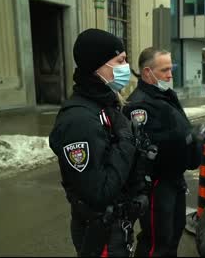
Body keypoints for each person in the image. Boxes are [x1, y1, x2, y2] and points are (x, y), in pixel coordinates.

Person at [49, 28, 148, 257]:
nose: (125, 67)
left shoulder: (105, 105)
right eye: (120, 60)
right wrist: (127, 140)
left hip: (115, 228)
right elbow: (99, 192)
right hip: (99, 234)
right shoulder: (79, 120)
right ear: (99, 65)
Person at [123, 47, 201, 257]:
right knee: (157, 240)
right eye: (165, 70)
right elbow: (150, 147)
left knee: (173, 235)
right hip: (156, 184)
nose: (170, 75)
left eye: (171, 69)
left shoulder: (164, 96)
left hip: (173, 179)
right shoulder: (139, 105)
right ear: (148, 72)